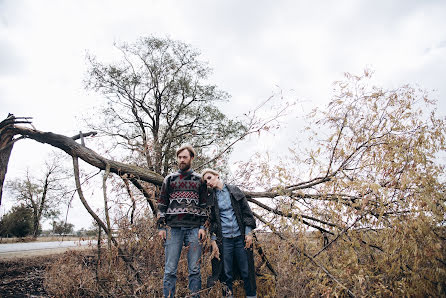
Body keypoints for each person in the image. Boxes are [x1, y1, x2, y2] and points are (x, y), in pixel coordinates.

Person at [157, 145, 208, 298]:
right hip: (173, 229)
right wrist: (161, 227)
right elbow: (162, 204)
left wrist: (202, 227)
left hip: (194, 229)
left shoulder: (200, 180)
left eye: (185, 157)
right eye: (179, 157)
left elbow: (204, 205)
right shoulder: (170, 179)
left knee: (194, 269)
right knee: (170, 269)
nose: (181, 160)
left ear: (191, 158)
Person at [202, 168, 257, 298]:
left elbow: (247, 213)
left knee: (247, 271)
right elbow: (212, 222)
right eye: (205, 181)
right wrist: (213, 240)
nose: (208, 182)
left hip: (240, 238)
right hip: (224, 240)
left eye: (209, 178)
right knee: (225, 273)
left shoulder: (234, 190)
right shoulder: (211, 199)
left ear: (217, 175)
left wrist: (248, 233)